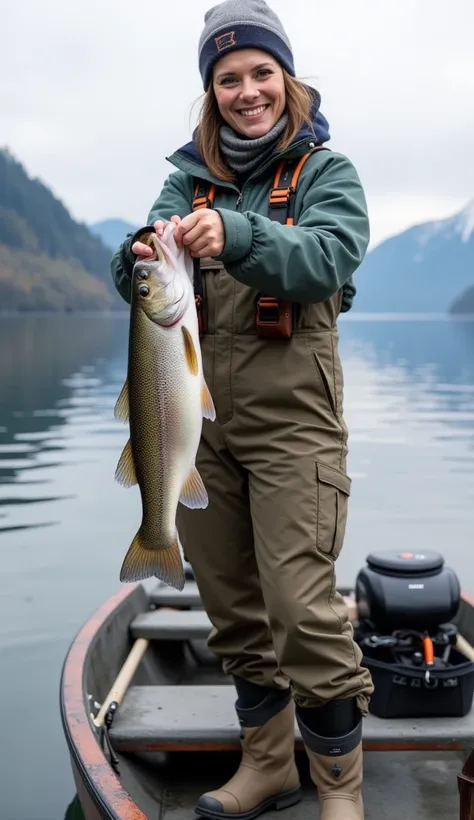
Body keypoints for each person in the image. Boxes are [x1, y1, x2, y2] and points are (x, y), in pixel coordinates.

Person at [111, 1, 374, 817]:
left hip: (296, 427)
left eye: (261, 73)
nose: (247, 90)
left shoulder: (328, 173)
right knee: (231, 608)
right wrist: (136, 257)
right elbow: (139, 282)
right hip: (198, 430)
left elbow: (329, 256)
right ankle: (268, 764)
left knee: (302, 608)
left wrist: (238, 234)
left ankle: (341, 788)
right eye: (229, 78)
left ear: (286, 78)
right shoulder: (183, 176)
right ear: (211, 90)